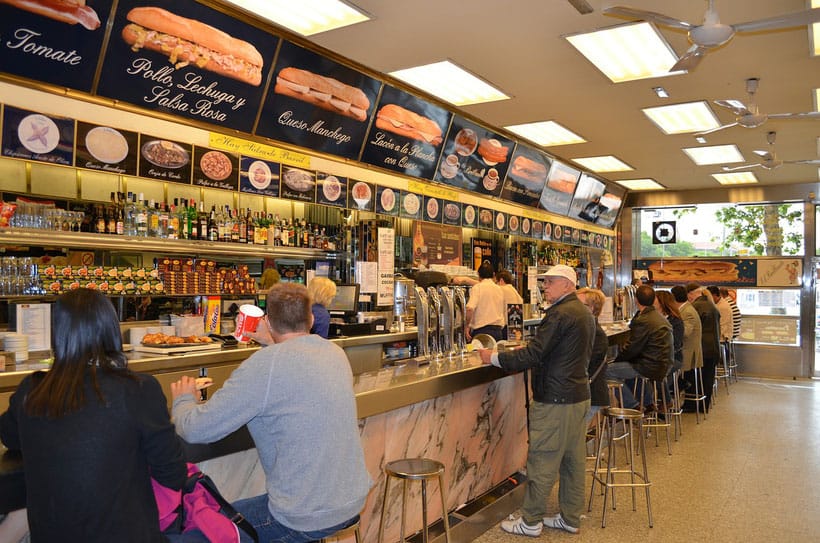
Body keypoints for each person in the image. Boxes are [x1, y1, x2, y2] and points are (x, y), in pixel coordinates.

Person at [170, 283, 371, 542]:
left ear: (268, 321)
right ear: (310, 318)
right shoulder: (335, 352)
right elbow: (285, 375)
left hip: (302, 515)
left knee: (198, 531)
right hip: (351, 499)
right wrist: (271, 342)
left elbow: (196, 429)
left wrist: (183, 400)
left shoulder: (264, 366)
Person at [0, 288, 191, 543]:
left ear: (58, 334)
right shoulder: (138, 389)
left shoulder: (31, 390)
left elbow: (11, 436)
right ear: (111, 329)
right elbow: (173, 474)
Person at [477, 265, 593, 536]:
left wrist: (493, 357)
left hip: (555, 398)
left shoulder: (560, 314)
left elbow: (535, 355)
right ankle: (570, 517)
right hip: (578, 396)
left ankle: (530, 522)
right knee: (572, 462)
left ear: (567, 285)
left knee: (543, 459)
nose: (545, 287)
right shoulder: (583, 312)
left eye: (550, 282)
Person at [606, 285, 673, 411]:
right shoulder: (658, 317)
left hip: (649, 365)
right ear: (654, 300)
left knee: (605, 371)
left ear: (636, 300)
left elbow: (632, 348)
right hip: (662, 363)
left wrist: (617, 360)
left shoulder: (643, 320)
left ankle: (632, 406)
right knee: (626, 368)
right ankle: (648, 404)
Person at [576, 287, 609, 426]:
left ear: (592, 308)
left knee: (573, 440)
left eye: (578, 305)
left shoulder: (597, 334)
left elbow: (581, 365)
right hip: (582, 395)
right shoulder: (584, 329)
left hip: (589, 395)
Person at [686, 282, 721, 412]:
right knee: (707, 379)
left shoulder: (695, 307)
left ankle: (692, 406)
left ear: (691, 294)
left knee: (695, 379)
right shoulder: (712, 305)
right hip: (714, 347)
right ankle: (704, 406)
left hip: (702, 348)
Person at [465, 261, 506, 342]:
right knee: (494, 354)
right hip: (498, 332)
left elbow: (469, 308)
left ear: (479, 275)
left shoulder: (478, 288)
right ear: (494, 275)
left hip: (482, 333)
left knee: (480, 355)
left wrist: (467, 326)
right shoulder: (499, 289)